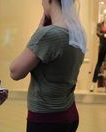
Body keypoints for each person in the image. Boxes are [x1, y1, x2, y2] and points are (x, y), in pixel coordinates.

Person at [9, 0, 86, 132]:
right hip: (69, 113)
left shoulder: (49, 34)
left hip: (47, 118)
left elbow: (15, 72)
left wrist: (38, 31)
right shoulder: (78, 33)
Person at [90, 8, 106, 93]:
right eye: (105, 15)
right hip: (103, 47)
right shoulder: (99, 25)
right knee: (99, 64)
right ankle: (93, 83)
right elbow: (98, 33)